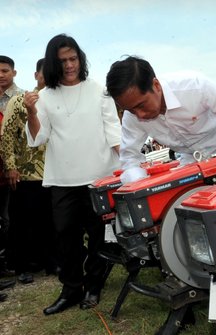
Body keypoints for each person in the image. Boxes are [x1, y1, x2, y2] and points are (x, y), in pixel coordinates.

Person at [23, 34, 122, 315]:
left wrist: (126, 164)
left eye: (73, 58)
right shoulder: (43, 97)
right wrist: (31, 112)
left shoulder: (98, 90)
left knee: (98, 236)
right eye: (62, 60)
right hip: (62, 179)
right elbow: (38, 138)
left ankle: (93, 286)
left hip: (99, 177)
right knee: (66, 238)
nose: (69, 65)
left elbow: (113, 129)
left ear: (80, 58)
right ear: (54, 63)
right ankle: (70, 289)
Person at [105, 56, 216, 183]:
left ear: (156, 85)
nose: (139, 115)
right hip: (192, 165)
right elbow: (129, 158)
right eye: (130, 110)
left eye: (141, 105)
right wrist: (139, 182)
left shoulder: (195, 86)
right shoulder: (131, 117)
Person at [0, 58, 58, 287]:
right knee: (22, 222)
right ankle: (23, 266)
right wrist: (11, 167)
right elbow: (7, 137)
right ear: (37, 76)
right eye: (48, 74)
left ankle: (51, 262)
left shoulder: (59, 102)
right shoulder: (19, 100)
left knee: (50, 221)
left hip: (54, 172)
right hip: (25, 173)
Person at [0, 55, 23, 286]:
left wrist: (12, 166)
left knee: (12, 218)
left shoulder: (22, 98)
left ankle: (13, 261)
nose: (0, 75)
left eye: (5, 70)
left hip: (16, 169)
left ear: (14, 73)